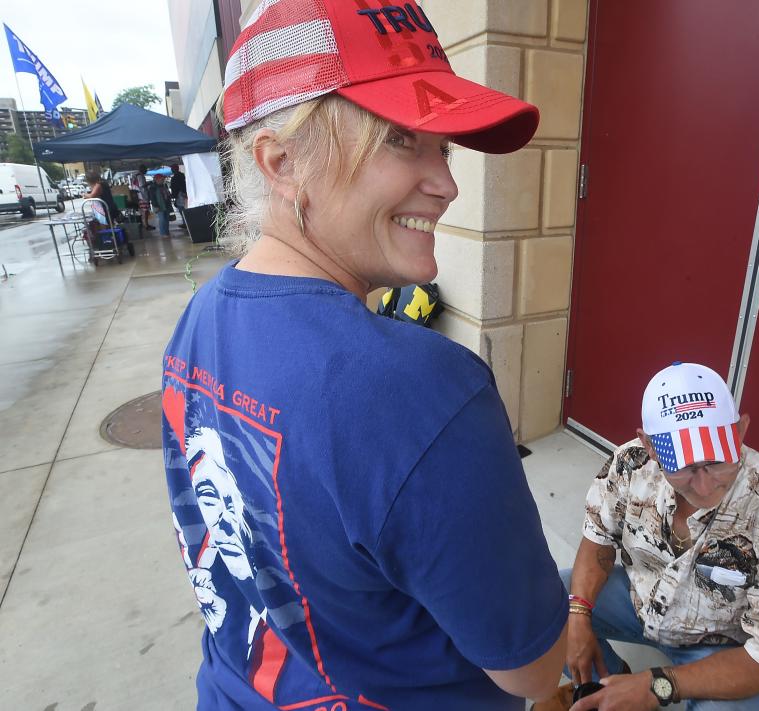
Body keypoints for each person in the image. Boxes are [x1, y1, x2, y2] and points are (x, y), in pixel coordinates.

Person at [159, 1, 566, 709]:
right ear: (282, 164)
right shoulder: (422, 389)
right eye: (401, 141)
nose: (446, 183)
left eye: (442, 144)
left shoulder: (199, 319)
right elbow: (530, 670)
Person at [536, 362, 759, 711]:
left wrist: (657, 685)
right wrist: (578, 614)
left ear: (741, 430)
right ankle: (603, 688)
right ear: (649, 445)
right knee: (541, 607)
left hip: (723, 641)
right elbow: (597, 538)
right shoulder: (632, 462)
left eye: (718, 462)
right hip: (638, 598)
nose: (705, 485)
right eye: (684, 467)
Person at [83, 170, 134, 257]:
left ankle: (108, 245)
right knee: (109, 227)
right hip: (109, 207)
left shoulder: (99, 185)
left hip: (106, 209)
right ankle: (111, 243)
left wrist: (84, 195)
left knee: (105, 228)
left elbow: (92, 195)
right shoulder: (103, 183)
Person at [133, 164, 154, 231]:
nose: (146, 171)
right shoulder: (140, 176)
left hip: (140, 196)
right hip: (143, 196)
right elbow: (142, 185)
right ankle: (146, 225)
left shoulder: (136, 176)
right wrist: (149, 183)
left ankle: (145, 224)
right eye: (145, 169)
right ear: (142, 169)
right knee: (145, 211)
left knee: (144, 211)